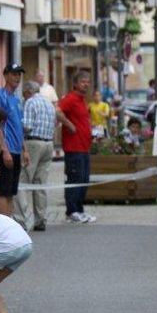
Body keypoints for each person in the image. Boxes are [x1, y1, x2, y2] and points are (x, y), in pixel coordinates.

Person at [15, 81, 55, 232]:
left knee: (22, 181)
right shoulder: (49, 104)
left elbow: (27, 126)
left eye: (24, 93)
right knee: (40, 183)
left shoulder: (30, 103)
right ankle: (41, 219)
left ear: (28, 91)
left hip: (33, 143)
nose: (24, 96)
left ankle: (22, 219)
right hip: (48, 144)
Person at [58, 71, 95, 224]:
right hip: (74, 148)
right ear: (75, 84)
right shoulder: (71, 98)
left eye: (87, 81)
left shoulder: (82, 100)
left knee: (84, 179)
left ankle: (79, 210)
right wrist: (69, 125)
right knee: (75, 179)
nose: (86, 84)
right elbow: (58, 111)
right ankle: (71, 211)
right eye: (82, 82)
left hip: (84, 147)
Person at [0, 63, 28, 217]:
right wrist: (4, 150)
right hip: (6, 151)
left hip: (16, 150)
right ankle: (3, 224)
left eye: (19, 75)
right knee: (3, 190)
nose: (17, 78)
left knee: (11, 191)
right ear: (6, 75)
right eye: (14, 74)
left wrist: (24, 150)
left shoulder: (16, 99)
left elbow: (19, 126)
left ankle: (9, 222)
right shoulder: (0, 96)